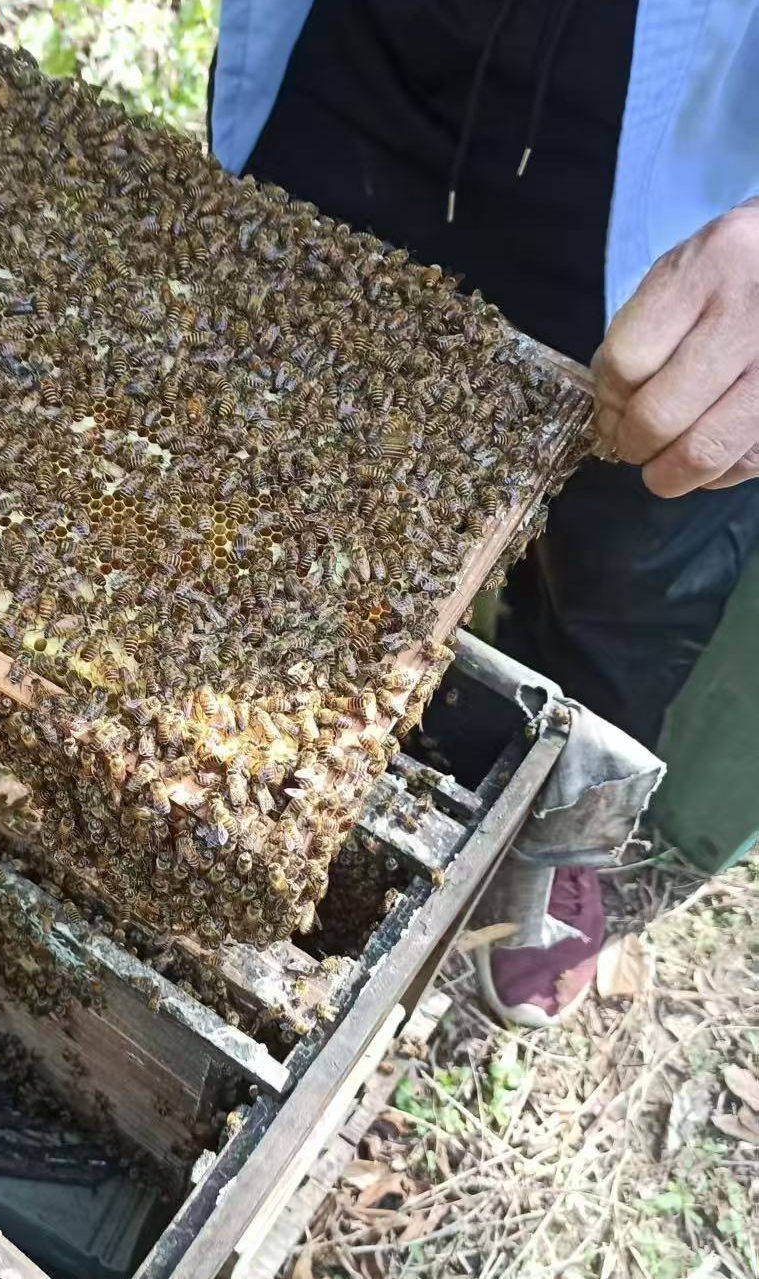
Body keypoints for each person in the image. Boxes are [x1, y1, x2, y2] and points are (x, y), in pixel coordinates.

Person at [209, 0, 759, 1026]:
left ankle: (555, 833)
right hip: (368, 57)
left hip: (695, 173)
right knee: (290, 461)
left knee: (634, 559)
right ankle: (271, 764)